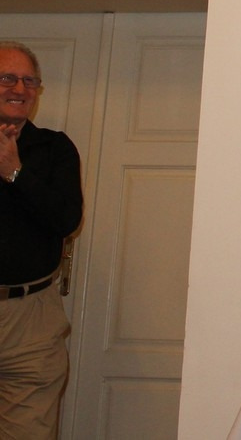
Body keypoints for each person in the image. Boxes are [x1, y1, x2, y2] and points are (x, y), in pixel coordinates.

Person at [0, 41, 84, 440]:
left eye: (29, 81)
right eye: (8, 78)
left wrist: (16, 173)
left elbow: (67, 220)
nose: (20, 88)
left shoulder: (55, 149)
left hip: (31, 319)